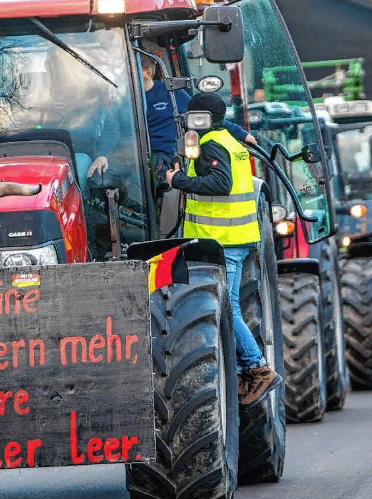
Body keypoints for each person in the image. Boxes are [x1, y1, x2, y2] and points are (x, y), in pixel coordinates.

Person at [166, 92, 282, 406]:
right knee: (227, 306)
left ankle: (257, 368)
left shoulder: (211, 144)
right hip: (238, 238)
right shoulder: (227, 138)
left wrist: (178, 181)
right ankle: (250, 368)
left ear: (199, 118)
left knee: (227, 308)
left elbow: (221, 184)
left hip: (225, 241)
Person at [138, 54, 257, 193]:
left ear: (148, 73)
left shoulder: (170, 92)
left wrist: (241, 133)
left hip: (161, 154)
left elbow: (204, 117)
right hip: (132, 151)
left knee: (146, 179)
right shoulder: (124, 97)